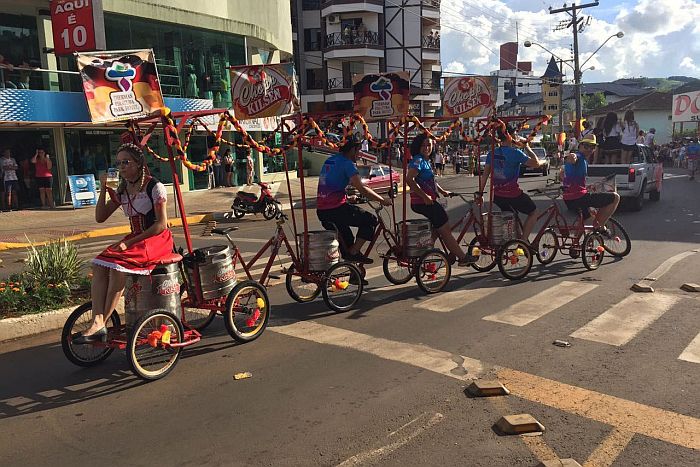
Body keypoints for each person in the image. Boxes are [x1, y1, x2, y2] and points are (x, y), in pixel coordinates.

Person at [72, 143, 175, 344]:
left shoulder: (155, 187)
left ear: (138, 164)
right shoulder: (123, 190)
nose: (122, 167)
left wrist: (129, 244)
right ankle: (98, 320)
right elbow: (100, 217)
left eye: (126, 162)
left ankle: (102, 322)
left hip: (154, 238)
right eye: (118, 163)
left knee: (118, 267)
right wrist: (103, 190)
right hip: (135, 237)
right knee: (99, 264)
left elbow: (161, 225)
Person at [316, 134, 391, 264]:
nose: (359, 154)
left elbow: (330, 184)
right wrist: (382, 199)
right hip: (335, 210)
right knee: (370, 220)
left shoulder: (330, 160)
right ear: (352, 150)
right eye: (358, 150)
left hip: (323, 211)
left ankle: (355, 275)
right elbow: (361, 188)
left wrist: (347, 197)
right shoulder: (347, 164)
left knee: (348, 244)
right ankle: (354, 252)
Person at [407, 134, 477, 266]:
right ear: (418, 146)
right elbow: (409, 179)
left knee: (438, 227)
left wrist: (443, 191)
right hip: (423, 202)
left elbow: (430, 181)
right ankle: (462, 258)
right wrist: (425, 196)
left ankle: (426, 251)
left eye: (429, 145)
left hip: (427, 201)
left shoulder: (426, 160)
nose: (426, 148)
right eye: (423, 145)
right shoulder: (418, 160)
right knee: (445, 229)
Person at [480, 125, 544, 243]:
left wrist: (480, 193)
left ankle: (517, 239)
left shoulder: (492, 153)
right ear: (509, 136)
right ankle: (524, 240)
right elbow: (537, 164)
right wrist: (528, 148)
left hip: (498, 196)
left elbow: (485, 175)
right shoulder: (516, 153)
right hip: (513, 195)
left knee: (512, 217)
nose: (516, 137)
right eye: (515, 134)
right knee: (534, 212)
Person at [561, 134, 620, 230]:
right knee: (615, 197)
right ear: (580, 146)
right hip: (578, 197)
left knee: (588, 218)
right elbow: (573, 157)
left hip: (570, 198)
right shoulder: (579, 156)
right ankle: (599, 226)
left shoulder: (584, 161)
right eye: (586, 146)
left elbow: (567, 176)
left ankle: (578, 242)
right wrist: (572, 156)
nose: (589, 149)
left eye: (592, 147)